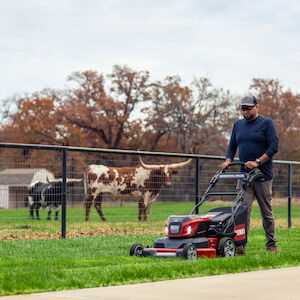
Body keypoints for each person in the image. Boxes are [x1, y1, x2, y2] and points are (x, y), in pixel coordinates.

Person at [221, 95, 278, 254]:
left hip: (262, 175)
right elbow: (232, 146)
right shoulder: (238, 125)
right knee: (241, 212)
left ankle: (271, 245)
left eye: (248, 108)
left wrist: (258, 161)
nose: (245, 111)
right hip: (244, 177)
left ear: (256, 107)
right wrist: (227, 160)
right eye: (242, 108)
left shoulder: (267, 123)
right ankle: (240, 246)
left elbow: (274, 147)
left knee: (266, 213)